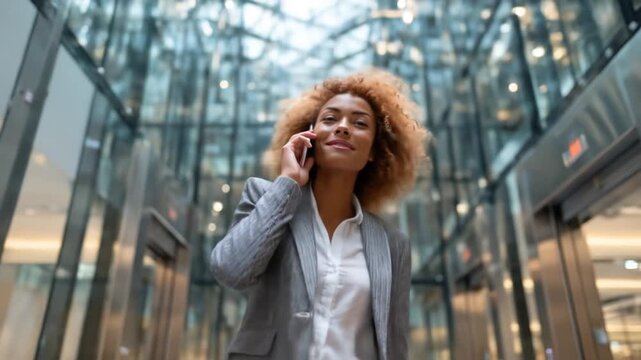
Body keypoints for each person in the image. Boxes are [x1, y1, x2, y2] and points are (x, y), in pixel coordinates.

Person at [210, 69, 428, 360]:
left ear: (374, 151)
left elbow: (394, 343)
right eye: (330, 119)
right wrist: (288, 183)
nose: (343, 127)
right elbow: (231, 271)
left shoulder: (393, 244)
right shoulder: (266, 198)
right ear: (309, 134)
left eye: (360, 123)